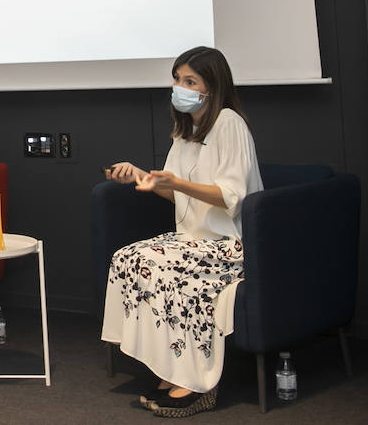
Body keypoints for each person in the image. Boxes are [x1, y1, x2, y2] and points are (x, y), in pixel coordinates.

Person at [101, 46, 264, 417]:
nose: (180, 87)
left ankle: (196, 382)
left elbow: (231, 196)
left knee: (161, 268)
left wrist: (177, 184)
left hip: (229, 244)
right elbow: (172, 189)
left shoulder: (229, 123)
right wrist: (139, 176)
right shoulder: (185, 131)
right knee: (128, 258)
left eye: (190, 81)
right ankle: (170, 367)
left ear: (212, 86)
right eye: (177, 79)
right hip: (190, 239)